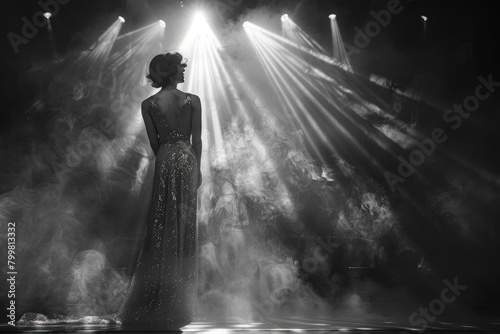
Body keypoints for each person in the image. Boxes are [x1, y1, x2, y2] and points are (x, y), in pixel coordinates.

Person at [118, 52, 202, 331]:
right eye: (180, 68)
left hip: (165, 159)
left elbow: (154, 142)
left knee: (162, 223)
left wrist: (167, 157)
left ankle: (162, 297)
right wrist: (195, 166)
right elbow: (197, 139)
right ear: (169, 72)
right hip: (188, 158)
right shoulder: (193, 100)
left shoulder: (148, 104)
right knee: (183, 223)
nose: (184, 71)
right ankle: (177, 301)